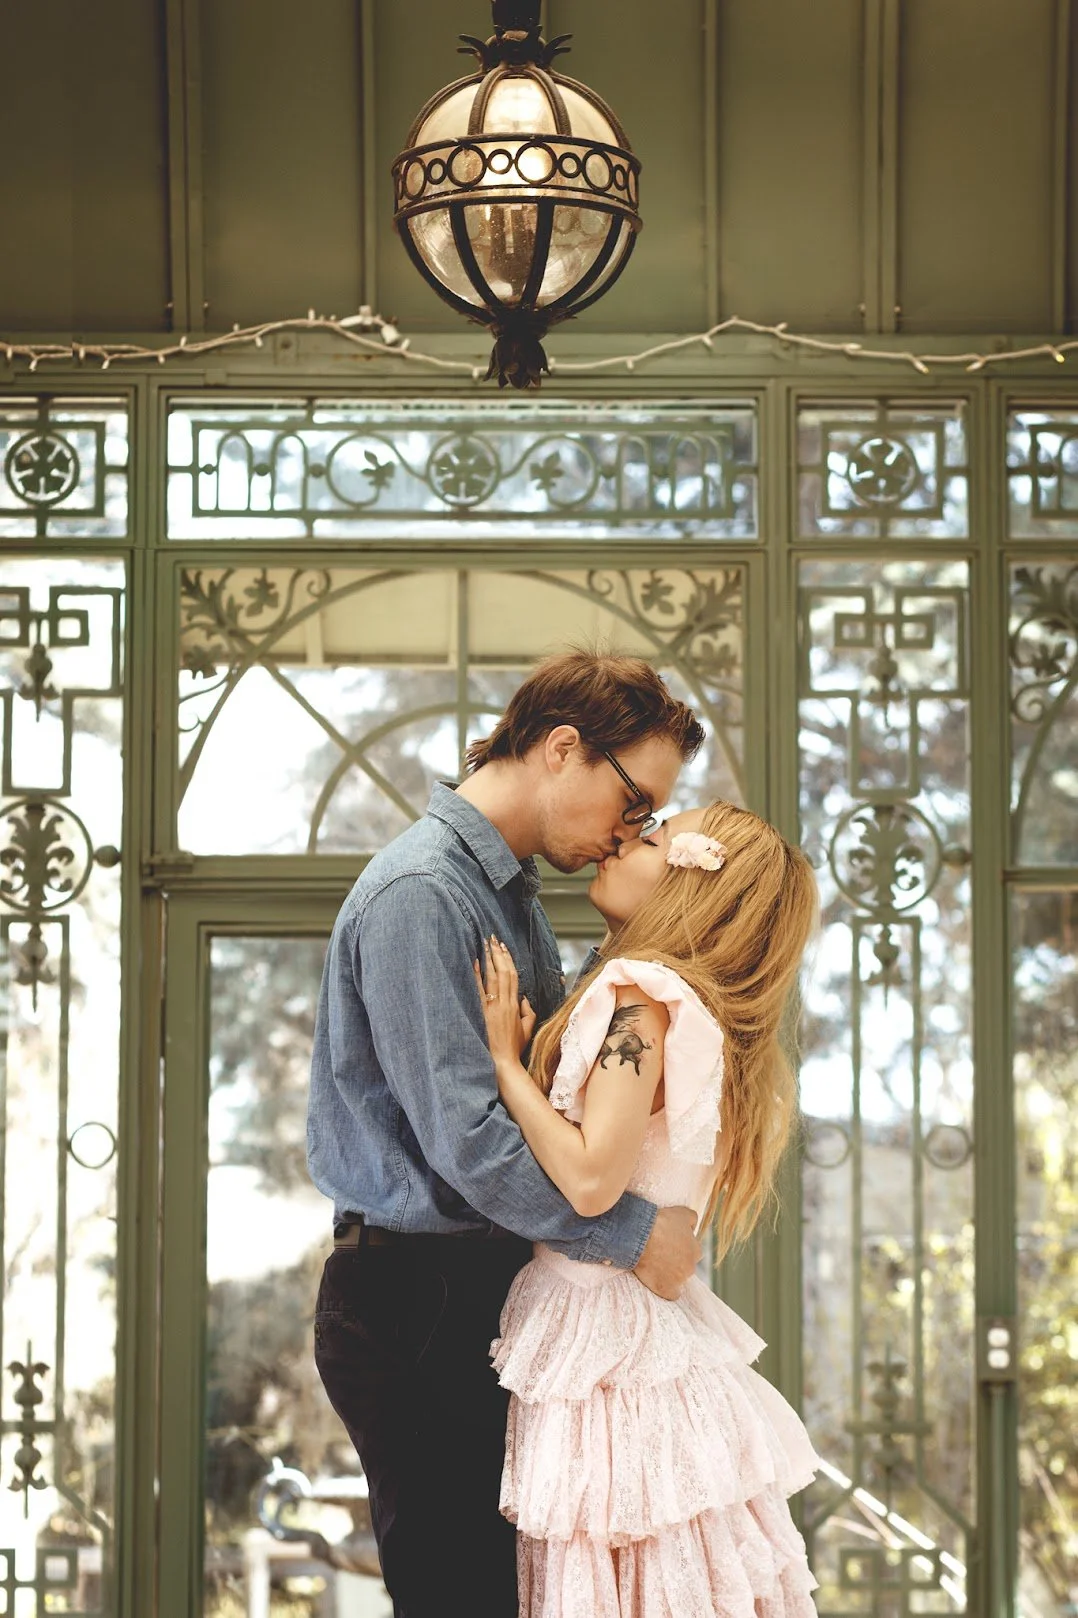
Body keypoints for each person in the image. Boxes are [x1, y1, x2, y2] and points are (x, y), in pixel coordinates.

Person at [307, 651, 707, 1618]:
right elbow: (472, 1144)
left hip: (469, 1286)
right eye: (634, 800)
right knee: (461, 1597)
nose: (634, 830)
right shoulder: (424, 895)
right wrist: (631, 1235)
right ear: (564, 749)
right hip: (418, 1295)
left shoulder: (507, 894)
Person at [476, 800, 821, 1618]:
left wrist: (504, 1065)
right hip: (644, 1337)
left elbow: (594, 1183)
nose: (629, 837)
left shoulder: (641, 1001)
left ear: (692, 888)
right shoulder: (698, 1015)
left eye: (656, 835)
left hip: (607, 1344)